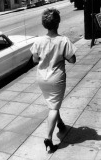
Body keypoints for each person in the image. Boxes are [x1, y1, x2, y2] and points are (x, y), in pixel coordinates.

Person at [30, 8, 77, 152]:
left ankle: (60, 123)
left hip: (42, 78)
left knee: (52, 103)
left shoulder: (38, 41)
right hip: (56, 78)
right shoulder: (64, 41)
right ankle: (48, 139)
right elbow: (72, 59)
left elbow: (34, 59)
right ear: (58, 23)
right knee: (54, 107)